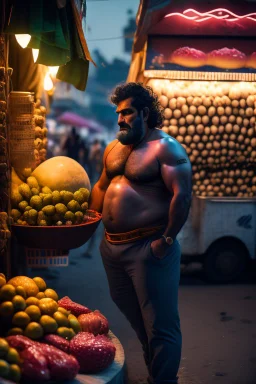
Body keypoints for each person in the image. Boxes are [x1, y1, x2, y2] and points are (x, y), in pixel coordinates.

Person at [89, 82, 192, 384]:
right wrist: (85, 226)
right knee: (139, 323)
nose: (120, 119)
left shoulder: (166, 148)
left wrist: (167, 240)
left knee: (161, 326)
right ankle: (155, 373)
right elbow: (100, 187)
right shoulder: (113, 148)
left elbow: (181, 195)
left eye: (128, 112)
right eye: (118, 113)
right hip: (112, 250)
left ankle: (162, 381)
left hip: (149, 249)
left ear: (145, 113)